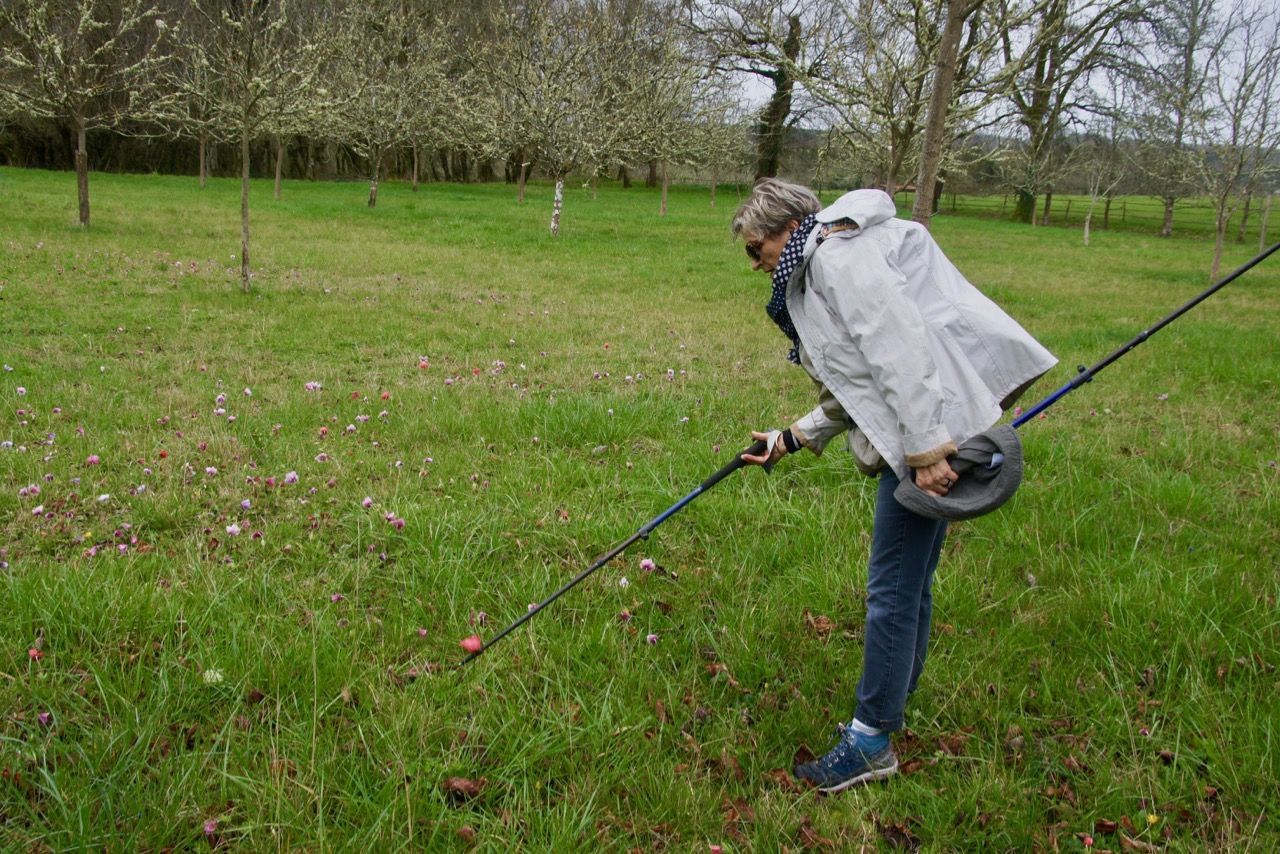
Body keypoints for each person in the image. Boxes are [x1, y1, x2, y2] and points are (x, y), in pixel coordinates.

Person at [732, 179, 1057, 793]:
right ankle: (894, 695)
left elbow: (899, 354)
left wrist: (929, 451)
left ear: (783, 227)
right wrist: (793, 436)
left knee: (891, 588)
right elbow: (861, 380)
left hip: (926, 438)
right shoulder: (826, 257)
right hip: (922, 430)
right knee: (909, 583)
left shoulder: (838, 258)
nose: (756, 264)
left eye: (756, 249)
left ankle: (871, 737)